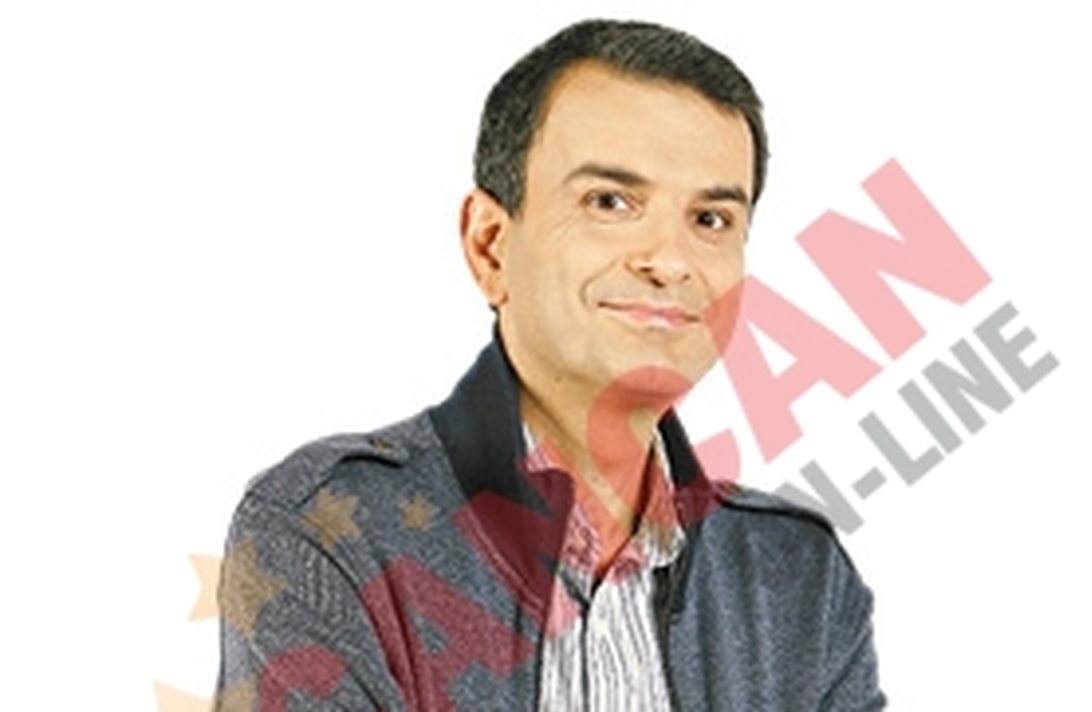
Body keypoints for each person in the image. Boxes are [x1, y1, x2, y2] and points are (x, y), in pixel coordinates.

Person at [215, 18, 886, 711]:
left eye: (711, 219)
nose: (670, 260)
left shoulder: (800, 579)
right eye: (611, 202)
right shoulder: (331, 532)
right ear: (490, 246)